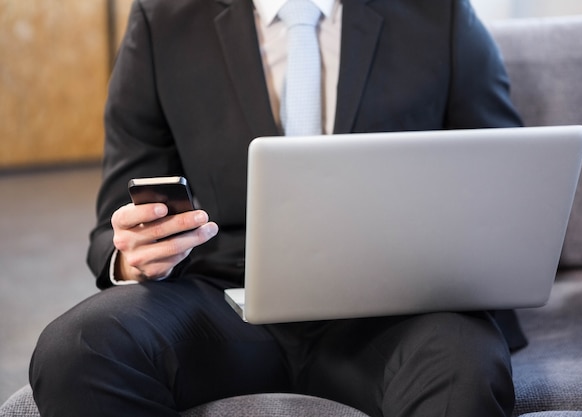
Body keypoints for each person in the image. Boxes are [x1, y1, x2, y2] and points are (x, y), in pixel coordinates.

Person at [29, 0, 528, 416]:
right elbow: (117, 211)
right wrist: (132, 255)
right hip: (221, 298)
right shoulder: (164, 18)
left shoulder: (437, 14)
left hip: (395, 307)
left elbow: (508, 178)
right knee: (76, 349)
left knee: (466, 361)